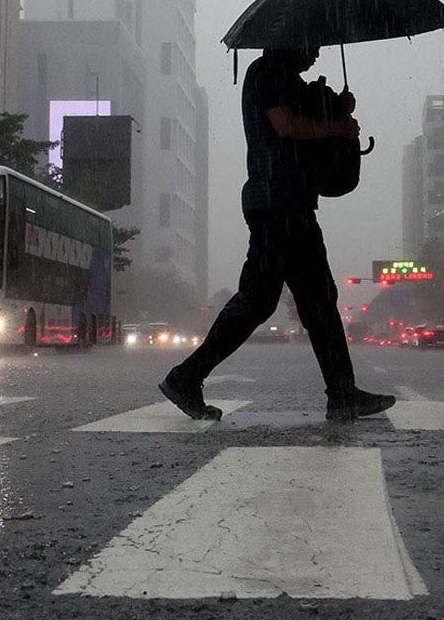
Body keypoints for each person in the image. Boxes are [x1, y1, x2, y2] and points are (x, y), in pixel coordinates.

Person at [159, 47, 396, 422]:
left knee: (259, 300)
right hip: (280, 201)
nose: (316, 53)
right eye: (312, 43)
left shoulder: (284, 78)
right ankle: (341, 392)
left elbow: (303, 115)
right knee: (317, 297)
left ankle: (186, 377)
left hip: (280, 200)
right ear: (291, 38)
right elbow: (286, 125)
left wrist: (338, 106)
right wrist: (337, 128)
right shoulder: (267, 72)